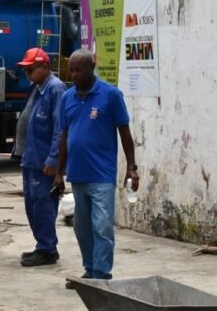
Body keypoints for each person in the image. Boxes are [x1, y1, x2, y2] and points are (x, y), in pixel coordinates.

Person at [56, 49, 139, 288]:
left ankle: (101, 275)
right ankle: (90, 269)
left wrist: (132, 167)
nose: (74, 75)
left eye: (78, 70)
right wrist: (59, 172)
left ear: (91, 68)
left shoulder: (111, 95)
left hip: (102, 175)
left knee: (102, 226)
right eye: (71, 70)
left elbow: (125, 133)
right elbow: (64, 136)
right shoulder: (67, 98)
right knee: (82, 228)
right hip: (78, 174)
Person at [16, 48, 66, 267]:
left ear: (45, 67)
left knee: (43, 205)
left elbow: (60, 127)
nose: (27, 74)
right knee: (32, 204)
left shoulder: (55, 89)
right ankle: (43, 246)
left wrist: (53, 158)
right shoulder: (37, 88)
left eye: (31, 69)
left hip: (43, 160)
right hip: (31, 157)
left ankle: (47, 249)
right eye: (25, 70)